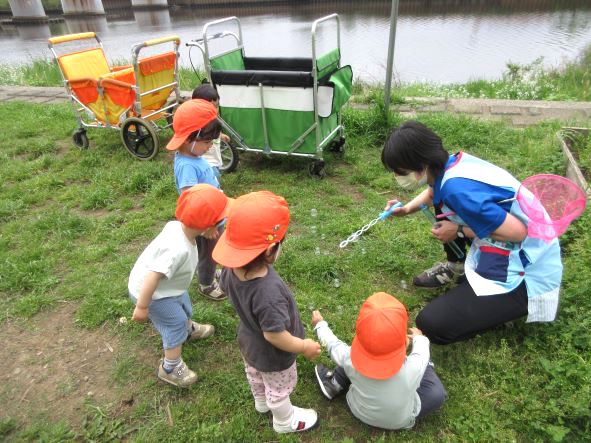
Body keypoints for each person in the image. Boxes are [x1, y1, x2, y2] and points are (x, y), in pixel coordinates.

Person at [381, 120, 563, 344]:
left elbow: (518, 232)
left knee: (430, 323)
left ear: (421, 165)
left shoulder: (457, 191)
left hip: (528, 270)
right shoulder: (450, 166)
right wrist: (407, 208)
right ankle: (458, 269)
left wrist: (457, 230)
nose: (397, 177)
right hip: (518, 244)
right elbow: (433, 192)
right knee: (443, 207)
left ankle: (506, 306)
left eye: (400, 171)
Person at [212, 191, 322, 434]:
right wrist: (303, 346)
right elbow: (274, 335)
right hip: (272, 353)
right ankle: (284, 420)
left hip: (248, 341)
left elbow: (225, 290)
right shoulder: (267, 292)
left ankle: (261, 403)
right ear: (271, 249)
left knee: (255, 374)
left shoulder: (229, 270)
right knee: (278, 388)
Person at [128, 184, 232, 387]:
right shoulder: (176, 250)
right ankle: (170, 367)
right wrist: (142, 307)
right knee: (173, 323)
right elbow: (152, 277)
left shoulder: (178, 227)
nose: (222, 227)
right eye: (220, 223)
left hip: (169, 288)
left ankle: (188, 329)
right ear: (206, 225)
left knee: (184, 306)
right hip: (152, 295)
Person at [312, 292, 447, 430]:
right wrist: (419, 338)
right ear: (405, 342)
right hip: (399, 421)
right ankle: (336, 382)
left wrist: (320, 325)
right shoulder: (412, 368)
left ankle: (335, 382)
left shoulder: (349, 356)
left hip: (359, 410)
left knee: (353, 358)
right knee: (436, 393)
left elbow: (332, 344)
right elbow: (422, 352)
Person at [166, 99, 226, 301]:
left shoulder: (194, 156)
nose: (210, 147)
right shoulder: (186, 166)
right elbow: (191, 200)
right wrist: (207, 226)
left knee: (216, 249)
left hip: (214, 217)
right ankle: (206, 283)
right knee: (208, 254)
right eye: (207, 142)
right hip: (205, 223)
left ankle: (210, 273)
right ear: (188, 139)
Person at [191, 84, 231, 180]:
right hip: (206, 162)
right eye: (210, 107)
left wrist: (220, 135)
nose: (214, 111)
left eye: (216, 107)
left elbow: (213, 133)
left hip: (215, 160)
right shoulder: (198, 124)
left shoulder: (214, 120)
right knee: (212, 178)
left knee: (214, 176)